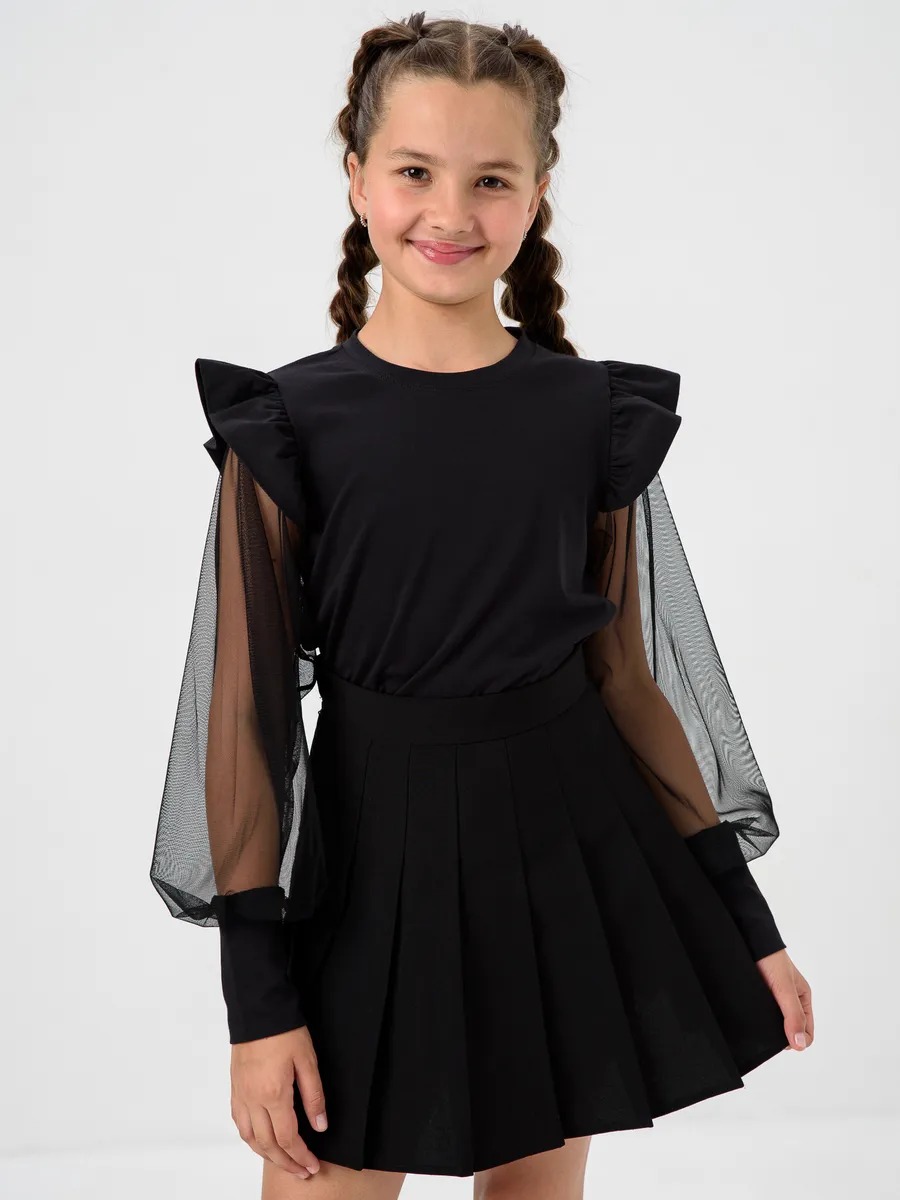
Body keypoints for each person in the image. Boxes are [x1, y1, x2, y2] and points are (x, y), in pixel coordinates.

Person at [150, 11, 814, 1198]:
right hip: (367, 874)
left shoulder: (589, 417)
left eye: (491, 179)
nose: (450, 213)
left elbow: (629, 683)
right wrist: (258, 1005)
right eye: (415, 172)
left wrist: (745, 921)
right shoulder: (288, 427)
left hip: (569, 856)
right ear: (358, 178)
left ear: (537, 195)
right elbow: (246, 723)